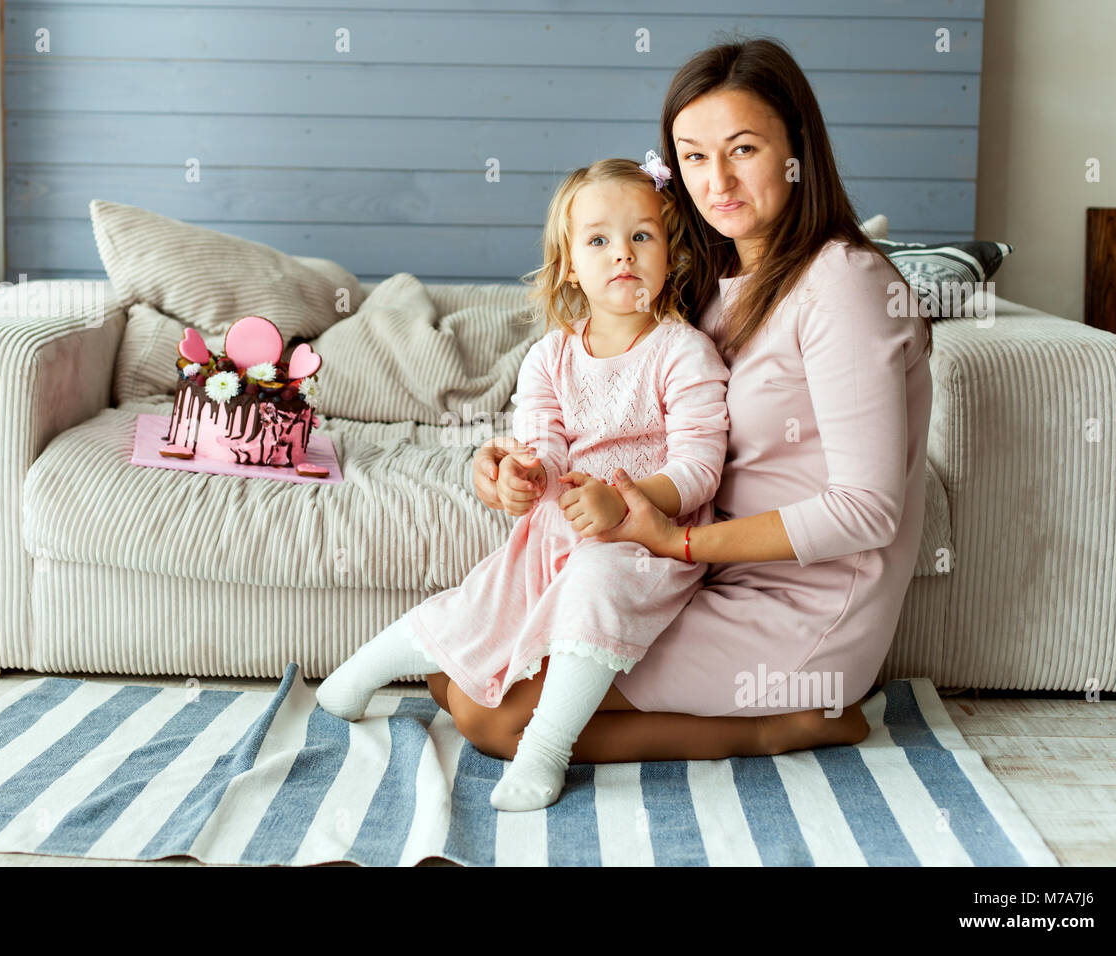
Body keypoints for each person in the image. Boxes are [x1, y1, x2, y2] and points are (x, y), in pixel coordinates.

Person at [432, 36, 935, 767]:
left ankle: (785, 723)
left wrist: (680, 542)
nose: (718, 181)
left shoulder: (845, 286)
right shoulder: (718, 281)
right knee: (450, 669)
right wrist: (517, 461)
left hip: (799, 611)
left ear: (798, 149)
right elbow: (613, 411)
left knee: (487, 716)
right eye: (693, 156)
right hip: (695, 573)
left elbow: (867, 510)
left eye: (743, 150)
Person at [317, 154, 732, 812]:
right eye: (598, 240)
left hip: (644, 541)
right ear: (570, 263)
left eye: (641, 236)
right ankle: (359, 672)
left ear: (670, 254)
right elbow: (541, 446)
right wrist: (520, 476)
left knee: (597, 581)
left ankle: (545, 749)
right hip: (561, 525)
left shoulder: (683, 352)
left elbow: (698, 468)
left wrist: (626, 503)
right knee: (483, 597)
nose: (621, 254)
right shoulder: (551, 355)